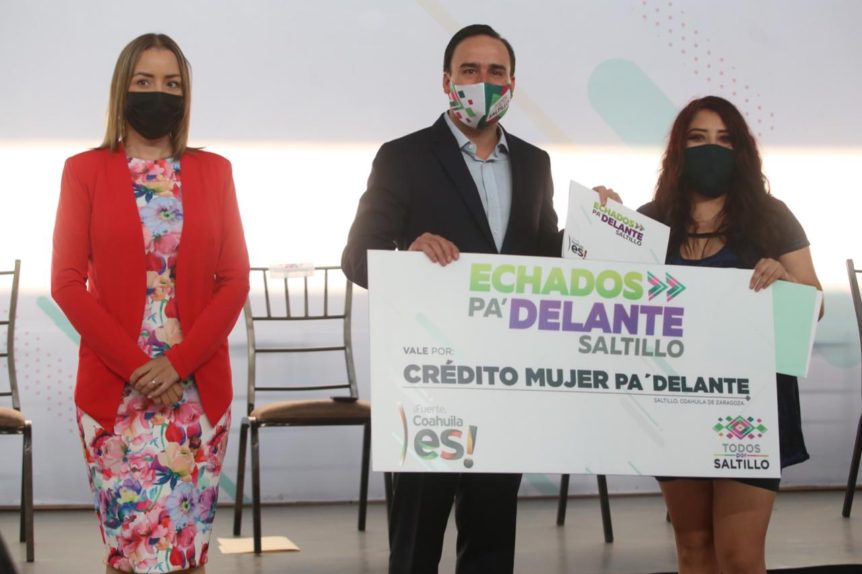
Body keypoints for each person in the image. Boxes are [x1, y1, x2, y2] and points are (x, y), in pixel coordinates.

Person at [342, 23, 561, 574]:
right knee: (416, 545)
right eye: (470, 70)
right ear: (447, 82)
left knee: (491, 542)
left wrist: (598, 229)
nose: (483, 82)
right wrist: (409, 256)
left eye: (495, 72)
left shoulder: (535, 163)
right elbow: (358, 255)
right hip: (429, 384)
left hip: (506, 378)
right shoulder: (403, 157)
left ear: (512, 83)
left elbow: (546, 259)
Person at [51, 33, 249, 574]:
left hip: (195, 390)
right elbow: (66, 283)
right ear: (123, 89)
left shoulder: (215, 171)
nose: (158, 93)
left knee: (186, 554)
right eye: (144, 81)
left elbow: (234, 280)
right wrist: (141, 368)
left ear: (186, 96)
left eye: (172, 84)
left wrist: (176, 364)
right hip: (116, 393)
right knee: (130, 555)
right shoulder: (83, 170)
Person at [637, 95, 822, 574]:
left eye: (724, 139)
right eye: (698, 138)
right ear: (679, 149)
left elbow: (815, 302)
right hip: (673, 403)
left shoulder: (770, 216)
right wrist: (600, 220)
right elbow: (610, 297)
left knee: (740, 556)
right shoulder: (650, 220)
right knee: (693, 546)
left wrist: (786, 280)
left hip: (751, 408)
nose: (711, 149)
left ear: (741, 150)